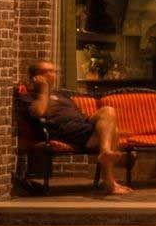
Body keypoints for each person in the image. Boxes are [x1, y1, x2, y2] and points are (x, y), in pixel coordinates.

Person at [21, 59, 130, 195]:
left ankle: (106, 155)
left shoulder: (62, 96)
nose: (52, 74)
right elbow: (39, 113)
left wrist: (107, 124)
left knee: (108, 110)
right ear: (35, 77)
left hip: (82, 128)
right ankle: (109, 179)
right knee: (114, 132)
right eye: (46, 72)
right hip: (65, 132)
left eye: (53, 71)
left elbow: (81, 117)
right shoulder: (29, 96)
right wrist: (44, 90)